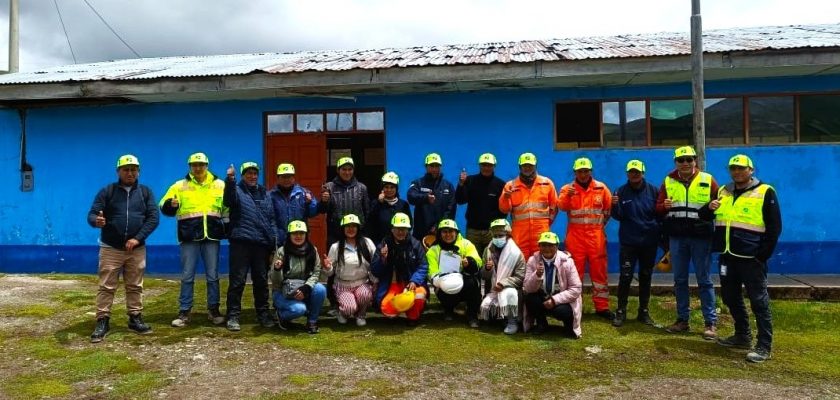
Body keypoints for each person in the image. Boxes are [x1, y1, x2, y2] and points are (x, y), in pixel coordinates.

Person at [706, 155, 782, 363]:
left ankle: (764, 345)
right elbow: (707, 216)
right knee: (730, 297)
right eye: (733, 168)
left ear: (751, 170)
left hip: (751, 258)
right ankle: (742, 335)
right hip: (727, 255)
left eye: (741, 168)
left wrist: (762, 255)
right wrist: (708, 209)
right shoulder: (723, 190)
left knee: (759, 301)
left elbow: (774, 228)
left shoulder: (765, 192)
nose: (737, 172)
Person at [87, 154, 159, 343]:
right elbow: (92, 214)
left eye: (134, 169)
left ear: (138, 172)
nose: (130, 173)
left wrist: (137, 238)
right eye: (126, 169)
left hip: (136, 249)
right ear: (118, 171)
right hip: (111, 248)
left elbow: (153, 218)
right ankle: (102, 320)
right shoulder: (107, 191)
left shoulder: (145, 192)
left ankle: (135, 318)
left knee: (135, 285)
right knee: (106, 286)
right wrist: (97, 221)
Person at [655, 146, 719, 340]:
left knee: (704, 280)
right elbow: (657, 208)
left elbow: (720, 204)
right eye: (681, 160)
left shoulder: (708, 180)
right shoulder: (668, 180)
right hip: (677, 238)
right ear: (675, 162)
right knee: (680, 280)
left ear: (695, 161)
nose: (685, 163)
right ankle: (682, 320)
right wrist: (663, 207)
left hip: (701, 238)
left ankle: (710, 323)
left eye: (689, 159)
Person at [159, 152, 228, 327]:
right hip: (189, 236)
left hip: (211, 236)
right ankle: (184, 312)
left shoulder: (220, 185)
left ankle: (213, 310)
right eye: (194, 165)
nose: (198, 168)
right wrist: (170, 205)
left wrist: (227, 227)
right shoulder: (179, 186)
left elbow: (227, 209)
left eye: (201, 164)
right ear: (190, 167)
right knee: (187, 276)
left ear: (207, 165)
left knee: (213, 276)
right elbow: (163, 205)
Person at [223, 162, 277, 331]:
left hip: (261, 244)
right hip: (241, 242)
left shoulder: (265, 193)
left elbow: (271, 218)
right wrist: (230, 180)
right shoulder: (236, 190)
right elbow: (229, 201)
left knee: (261, 281)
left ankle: (263, 314)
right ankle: (233, 315)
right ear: (242, 175)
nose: (252, 176)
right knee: (237, 281)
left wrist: (274, 240)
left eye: (255, 173)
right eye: (248, 173)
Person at [557, 157, 614, 319]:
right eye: (580, 171)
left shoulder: (601, 188)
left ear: (590, 171)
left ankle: (602, 307)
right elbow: (561, 206)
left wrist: (598, 227)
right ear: (575, 172)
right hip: (575, 238)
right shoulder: (567, 189)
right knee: (574, 274)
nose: (583, 174)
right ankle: (574, 306)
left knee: (599, 274)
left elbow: (608, 210)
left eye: (586, 171)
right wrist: (568, 196)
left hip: (596, 238)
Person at [610, 160, 660, 327]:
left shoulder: (654, 191)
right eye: (631, 171)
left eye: (637, 171)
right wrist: (614, 206)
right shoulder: (620, 191)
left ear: (643, 173)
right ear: (627, 174)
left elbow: (660, 214)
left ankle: (643, 311)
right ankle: (621, 311)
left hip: (649, 242)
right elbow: (618, 216)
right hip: (628, 242)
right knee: (625, 276)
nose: (634, 174)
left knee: (646, 276)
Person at [318, 157, 370, 313]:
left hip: (357, 235)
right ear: (338, 170)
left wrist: (364, 233)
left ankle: (362, 298)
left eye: (350, 169)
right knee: (333, 270)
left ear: (353, 170)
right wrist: (323, 201)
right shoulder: (329, 187)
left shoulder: (361, 188)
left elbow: (366, 211)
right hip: (336, 235)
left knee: (359, 265)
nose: (347, 172)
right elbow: (322, 210)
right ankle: (335, 303)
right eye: (343, 169)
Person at [371, 212, 428, 326]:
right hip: (391, 284)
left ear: (408, 230)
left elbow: (423, 265)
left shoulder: (415, 244)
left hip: (410, 283)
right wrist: (383, 259)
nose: (401, 232)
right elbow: (375, 270)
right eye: (398, 229)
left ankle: (413, 316)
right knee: (388, 310)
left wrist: (414, 280)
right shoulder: (383, 244)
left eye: (404, 229)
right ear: (392, 229)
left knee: (419, 294)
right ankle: (400, 309)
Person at [269, 220, 327, 334]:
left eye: (301, 233)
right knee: (299, 309)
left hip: (304, 289)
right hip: (283, 292)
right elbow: (275, 282)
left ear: (306, 234)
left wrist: (306, 288)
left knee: (320, 289)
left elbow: (316, 272)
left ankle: (312, 321)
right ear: (289, 235)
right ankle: (281, 315)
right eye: (295, 233)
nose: (298, 236)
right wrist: (277, 269)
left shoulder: (312, 250)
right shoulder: (282, 251)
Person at [522, 232, 582, 338]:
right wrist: (536, 275)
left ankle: (568, 325)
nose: (547, 248)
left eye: (551, 245)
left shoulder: (568, 262)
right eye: (543, 245)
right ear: (539, 246)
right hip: (542, 297)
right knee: (530, 298)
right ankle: (541, 324)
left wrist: (555, 300)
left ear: (557, 246)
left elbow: (576, 289)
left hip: (561, 300)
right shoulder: (532, 260)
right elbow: (527, 288)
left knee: (562, 311)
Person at [498, 152, 558, 258]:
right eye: (524, 165)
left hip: (541, 232)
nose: (527, 168)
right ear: (520, 167)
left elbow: (554, 207)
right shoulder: (510, 185)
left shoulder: (547, 183)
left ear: (535, 166)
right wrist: (505, 198)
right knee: (521, 264)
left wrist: (546, 224)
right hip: (520, 235)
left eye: (530, 165)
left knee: (540, 263)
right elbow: (504, 210)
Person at [427, 219, 483, 328]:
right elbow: (431, 272)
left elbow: (478, 262)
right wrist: (442, 281)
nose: (448, 235)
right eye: (445, 232)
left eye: (451, 231)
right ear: (439, 234)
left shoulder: (466, 244)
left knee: (473, 283)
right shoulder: (433, 250)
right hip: (443, 284)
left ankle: (472, 315)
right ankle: (448, 309)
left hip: (465, 281)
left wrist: (469, 262)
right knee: (445, 287)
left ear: (456, 233)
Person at [324, 214, 378, 326]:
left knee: (365, 295)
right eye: (347, 226)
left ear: (358, 228)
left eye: (354, 226)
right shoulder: (336, 247)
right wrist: (327, 267)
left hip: (362, 283)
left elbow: (375, 264)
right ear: (342, 228)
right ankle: (343, 312)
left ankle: (361, 315)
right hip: (343, 285)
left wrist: (375, 282)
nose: (350, 229)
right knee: (349, 308)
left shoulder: (367, 243)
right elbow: (329, 273)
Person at [479, 219, 525, 335]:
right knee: (488, 316)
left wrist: (503, 283)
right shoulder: (487, 250)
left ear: (508, 235)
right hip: (493, 290)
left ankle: (512, 321)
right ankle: (501, 317)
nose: (497, 238)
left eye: (501, 235)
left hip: (512, 290)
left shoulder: (516, 253)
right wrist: (487, 269)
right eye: (495, 235)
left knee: (509, 292)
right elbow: (483, 276)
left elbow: (520, 278)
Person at [456, 153, 506, 256]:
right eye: (484, 165)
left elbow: (503, 210)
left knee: (492, 260)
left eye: (489, 165)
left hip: (491, 231)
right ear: (479, 166)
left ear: (494, 166)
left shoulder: (500, 184)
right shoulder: (470, 180)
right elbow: (460, 200)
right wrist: (461, 184)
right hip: (473, 230)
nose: (486, 168)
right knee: (472, 259)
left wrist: (498, 229)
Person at [407, 153, 457, 241]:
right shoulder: (418, 183)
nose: (434, 169)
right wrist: (425, 198)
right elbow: (411, 196)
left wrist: (438, 226)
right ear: (426, 167)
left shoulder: (448, 186)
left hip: (442, 233)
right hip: (420, 233)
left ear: (440, 167)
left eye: (437, 166)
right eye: (431, 166)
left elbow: (451, 209)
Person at [268, 163, 318, 246]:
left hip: (299, 239)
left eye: (289, 177)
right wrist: (274, 236)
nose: (286, 179)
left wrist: (309, 203)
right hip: (279, 240)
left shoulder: (304, 193)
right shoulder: (270, 196)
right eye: (283, 177)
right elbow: (268, 219)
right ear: (278, 178)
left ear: (294, 178)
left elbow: (313, 213)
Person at [366, 171, 411, 245]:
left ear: (396, 189)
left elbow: (409, 225)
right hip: (380, 243)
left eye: (392, 187)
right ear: (382, 189)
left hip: (400, 243)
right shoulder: (375, 203)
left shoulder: (403, 204)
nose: (389, 190)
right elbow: (370, 222)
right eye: (386, 187)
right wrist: (379, 203)